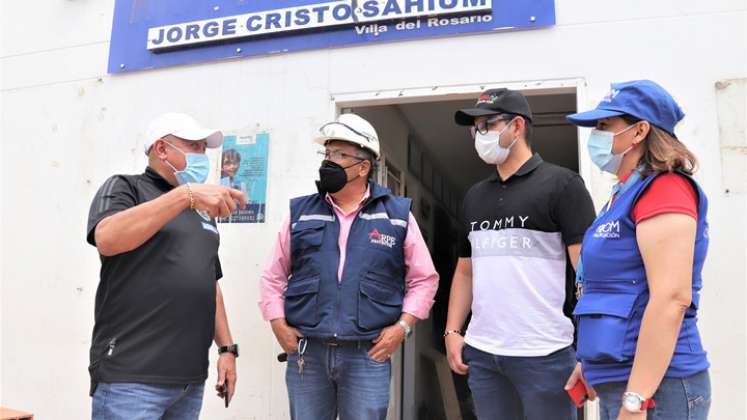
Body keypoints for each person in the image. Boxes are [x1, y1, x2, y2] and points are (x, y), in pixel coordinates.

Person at [259, 113, 439, 420]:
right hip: (308, 354)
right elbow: (273, 276)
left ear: (363, 167)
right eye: (327, 154)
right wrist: (277, 322)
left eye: (340, 154)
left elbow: (425, 279)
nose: (328, 162)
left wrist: (403, 327)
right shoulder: (301, 212)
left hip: (367, 355)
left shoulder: (396, 215)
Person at [445, 88, 596, 420]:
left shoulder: (563, 186)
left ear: (517, 126)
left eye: (487, 124)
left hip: (545, 354)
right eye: (475, 128)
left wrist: (591, 349)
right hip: (484, 355)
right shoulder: (474, 196)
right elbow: (466, 271)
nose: (479, 134)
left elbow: (589, 274)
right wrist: (453, 331)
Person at [564, 80, 711, 420]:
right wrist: (591, 360)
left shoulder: (666, 188)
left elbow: (672, 297)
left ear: (639, 131)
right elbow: (612, 287)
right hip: (623, 380)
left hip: (658, 389)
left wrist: (636, 400)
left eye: (604, 125)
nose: (595, 135)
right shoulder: (624, 195)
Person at [86, 112, 246, 419]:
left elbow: (208, 281)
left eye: (204, 148)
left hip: (188, 381)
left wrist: (227, 349)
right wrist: (184, 196)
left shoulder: (201, 210)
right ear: (161, 149)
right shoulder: (125, 188)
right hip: (131, 379)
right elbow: (107, 237)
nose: (203, 156)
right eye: (195, 147)